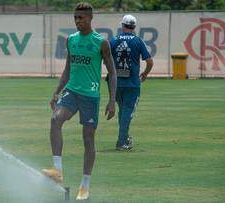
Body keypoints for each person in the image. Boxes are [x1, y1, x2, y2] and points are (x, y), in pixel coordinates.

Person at [42, 2, 117, 201]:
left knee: (88, 140)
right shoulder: (71, 40)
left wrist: (112, 101)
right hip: (72, 92)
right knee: (55, 119)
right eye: (75, 18)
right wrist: (57, 91)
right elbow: (68, 68)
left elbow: (112, 72)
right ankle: (57, 171)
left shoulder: (100, 42)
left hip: (91, 97)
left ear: (90, 18)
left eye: (80, 18)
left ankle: (84, 186)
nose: (77, 21)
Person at [109, 14, 153, 151]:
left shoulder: (113, 40)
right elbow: (150, 62)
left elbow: (105, 59)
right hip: (132, 84)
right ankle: (122, 142)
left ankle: (124, 138)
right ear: (134, 27)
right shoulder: (138, 41)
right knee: (127, 112)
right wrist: (144, 74)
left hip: (115, 84)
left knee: (123, 112)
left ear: (122, 25)